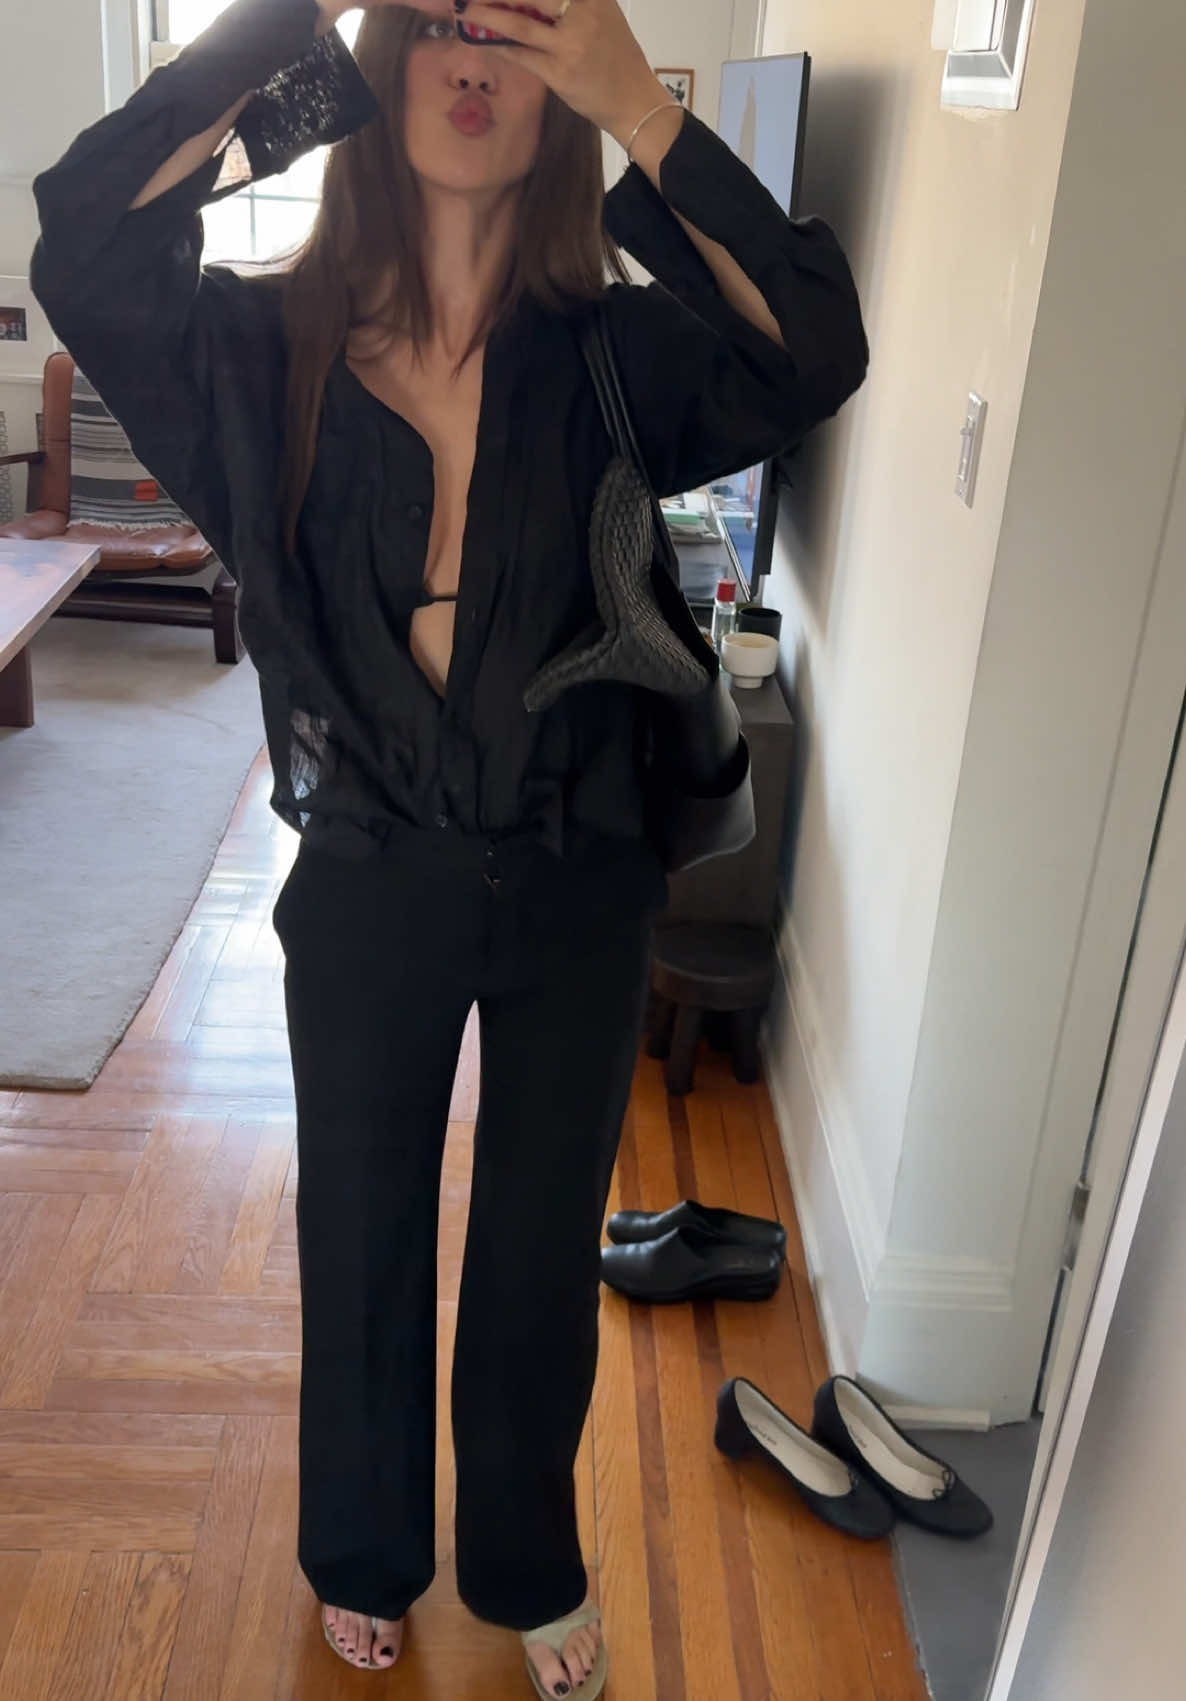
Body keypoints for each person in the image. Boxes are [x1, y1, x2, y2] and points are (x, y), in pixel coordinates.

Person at [29, 0, 867, 1692]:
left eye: (517, 26)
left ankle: (526, 1558)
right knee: (359, 1227)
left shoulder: (617, 355)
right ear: (380, 56)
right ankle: (361, 1547)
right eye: (436, 23)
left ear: (560, 82)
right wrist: (294, 35)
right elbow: (86, 234)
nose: (475, 58)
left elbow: (811, 350)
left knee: (541, 1246)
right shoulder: (254, 354)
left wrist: (640, 108)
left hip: (581, 871)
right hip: (365, 867)